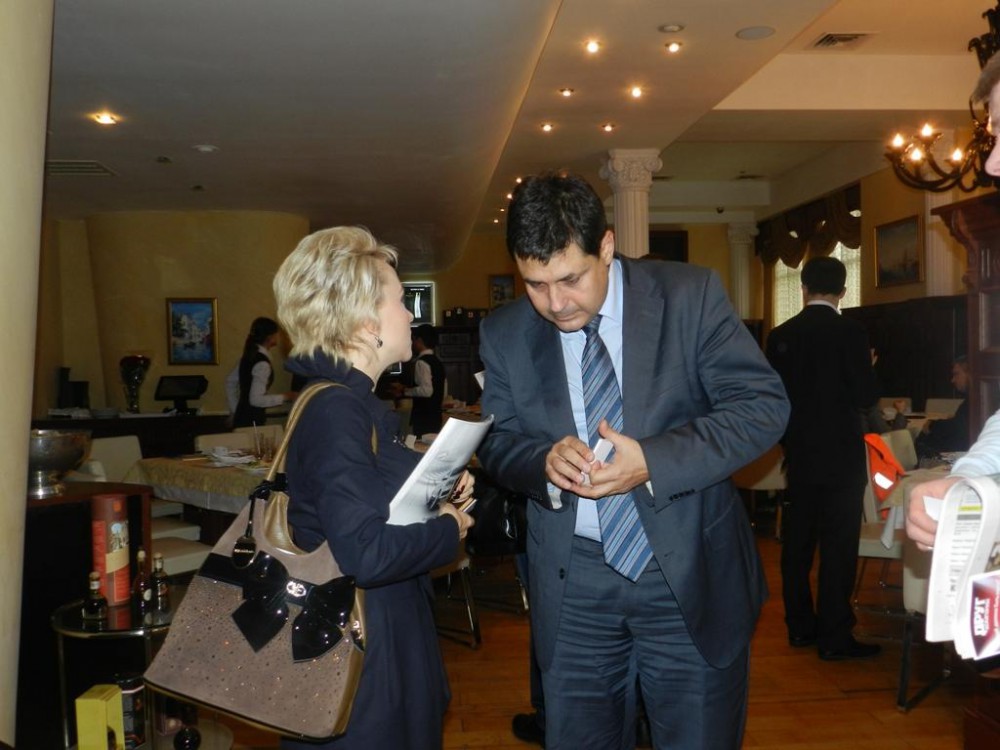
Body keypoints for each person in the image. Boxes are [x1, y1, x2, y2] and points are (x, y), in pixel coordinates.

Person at [476, 172, 789, 749]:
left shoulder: (688, 296)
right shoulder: (504, 333)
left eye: (570, 279)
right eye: (535, 285)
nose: (555, 304)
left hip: (687, 570)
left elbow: (762, 408)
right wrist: (541, 461)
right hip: (574, 585)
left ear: (606, 246)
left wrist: (653, 461)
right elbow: (495, 440)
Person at [272, 226, 476, 750]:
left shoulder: (349, 402)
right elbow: (365, 553)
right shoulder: (338, 409)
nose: (410, 314)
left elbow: (369, 499)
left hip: (379, 633)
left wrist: (438, 486)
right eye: (400, 300)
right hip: (362, 650)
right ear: (366, 323)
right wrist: (449, 529)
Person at [765, 256, 882, 661]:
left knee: (797, 544)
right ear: (843, 292)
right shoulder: (852, 332)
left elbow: (772, 400)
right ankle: (834, 636)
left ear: (804, 289)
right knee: (838, 546)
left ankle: (800, 627)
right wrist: (868, 368)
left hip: (799, 453)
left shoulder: (781, 335)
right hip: (842, 456)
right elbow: (865, 397)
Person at [225, 317, 297, 427]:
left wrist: (236, 410)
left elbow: (230, 382)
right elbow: (256, 400)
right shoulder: (262, 364)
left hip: (242, 418)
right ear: (270, 337)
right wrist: (286, 396)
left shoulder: (248, 356)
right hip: (252, 421)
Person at [914, 356, 970, 457]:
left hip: (961, 453)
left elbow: (958, 428)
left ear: (969, 374)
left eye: (956, 374)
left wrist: (932, 425)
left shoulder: (975, 401)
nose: (952, 380)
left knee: (921, 442)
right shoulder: (975, 399)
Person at [400, 323, 447, 437]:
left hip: (424, 416)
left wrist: (405, 391)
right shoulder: (437, 361)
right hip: (436, 414)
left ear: (419, 340)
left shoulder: (421, 362)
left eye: (413, 339)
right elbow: (444, 389)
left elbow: (426, 391)